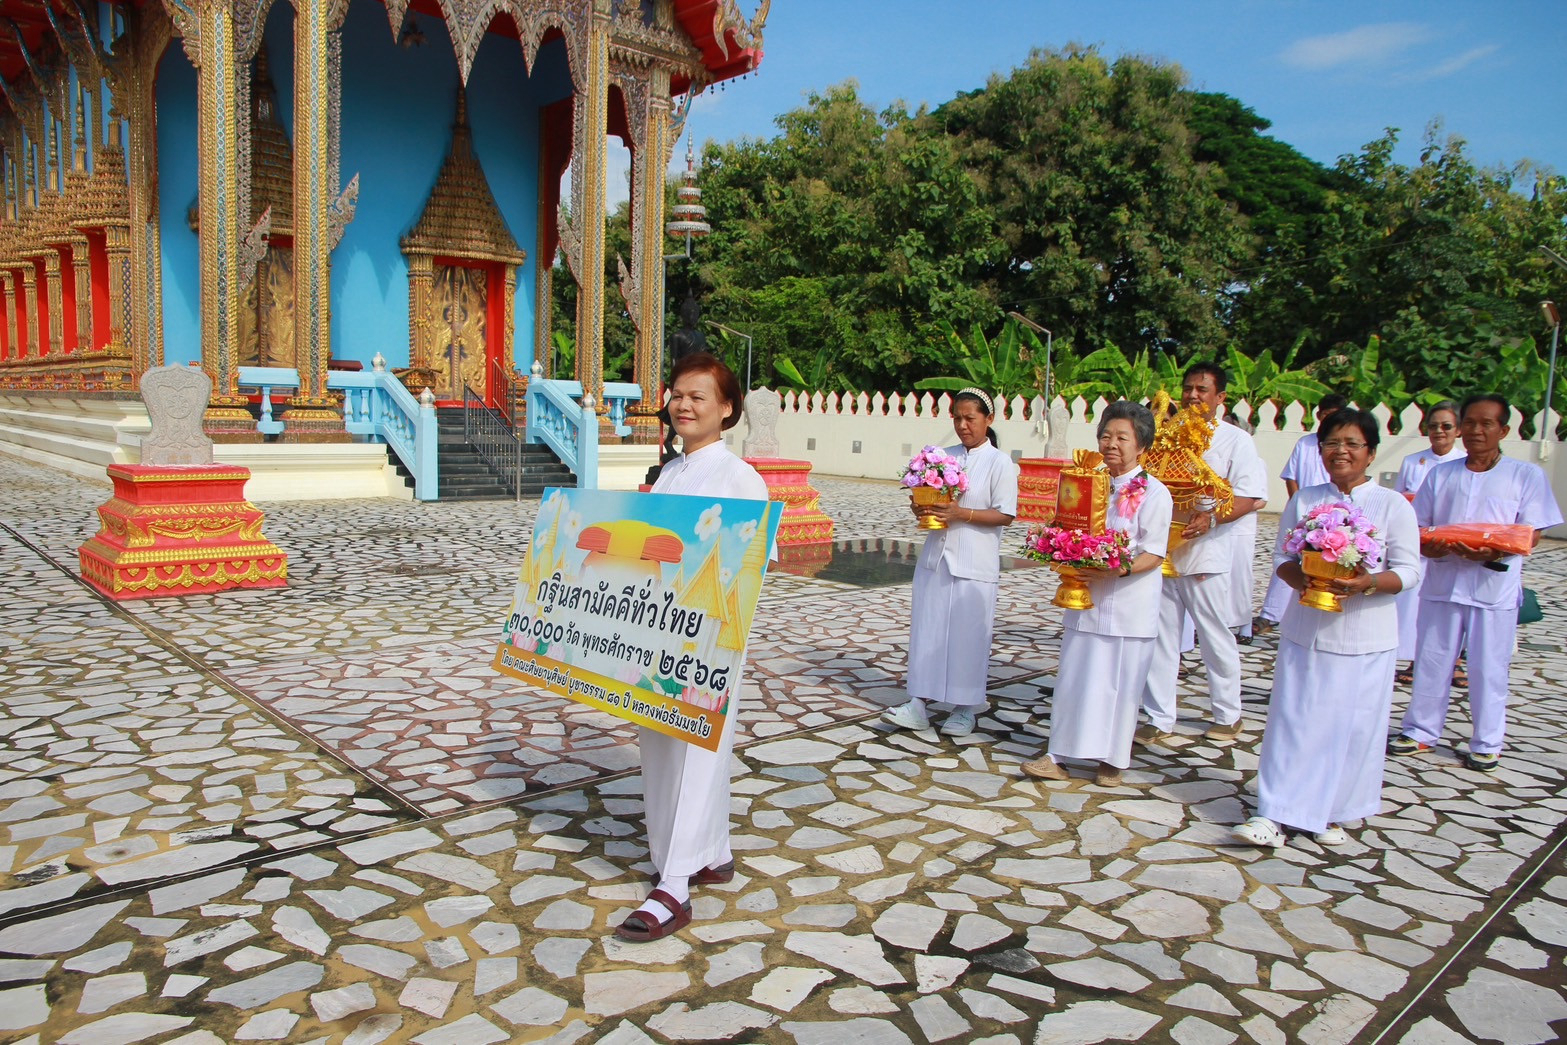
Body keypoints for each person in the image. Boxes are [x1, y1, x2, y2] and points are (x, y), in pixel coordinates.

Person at [618, 352, 768, 943]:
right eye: (678, 393)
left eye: (698, 396)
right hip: (657, 633)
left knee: (700, 752)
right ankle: (708, 853)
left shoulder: (739, 478)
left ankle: (674, 886)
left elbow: (750, 564)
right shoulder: (670, 472)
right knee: (659, 747)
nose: (683, 404)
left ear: (726, 409)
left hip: (707, 640)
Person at [1233, 408, 1420, 848]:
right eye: (1332, 443)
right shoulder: (1305, 500)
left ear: (1371, 453)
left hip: (1366, 635)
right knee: (1295, 719)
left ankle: (1330, 811)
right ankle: (1274, 812)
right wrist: (1306, 580)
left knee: (1352, 728)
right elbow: (1282, 559)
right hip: (1308, 630)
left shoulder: (1392, 505)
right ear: (1320, 451)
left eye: (1353, 444)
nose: (1341, 452)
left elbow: (1410, 572)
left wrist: (1366, 583)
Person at [1388, 394, 1563, 773]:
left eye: (1487, 424)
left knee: (1488, 667)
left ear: (1503, 430)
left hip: (1492, 587)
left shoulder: (1524, 475)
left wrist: (1493, 552)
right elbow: (1419, 526)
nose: (1477, 431)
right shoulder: (1442, 474)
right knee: (1432, 659)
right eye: (1470, 422)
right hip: (1443, 581)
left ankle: (1487, 741)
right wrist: (1435, 548)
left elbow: (1532, 532)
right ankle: (1420, 730)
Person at [1021, 402, 1172, 786]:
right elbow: (1066, 524)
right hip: (1086, 598)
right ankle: (1057, 755)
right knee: (1076, 678)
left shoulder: (1154, 493)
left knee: (1120, 685)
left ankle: (1112, 760)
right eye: (1106, 435)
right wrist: (1057, 548)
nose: (1111, 444)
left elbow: (1154, 552)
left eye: (1122, 437)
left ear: (1141, 445)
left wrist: (1115, 568)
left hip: (1129, 604)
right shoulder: (1084, 483)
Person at [1137, 364, 1268, 747]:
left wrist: (1210, 519)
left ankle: (1228, 714)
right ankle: (1159, 717)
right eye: (1189, 388)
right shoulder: (1164, 436)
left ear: (1220, 398)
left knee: (1214, 634)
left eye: (1202, 390)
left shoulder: (1235, 441)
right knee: (1160, 636)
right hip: (1161, 553)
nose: (1193, 396)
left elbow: (1252, 496)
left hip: (1206, 553)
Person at [884, 388, 1019, 737]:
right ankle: (918, 703)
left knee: (968, 637)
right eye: (957, 418)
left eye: (970, 418)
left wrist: (963, 513)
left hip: (975, 563)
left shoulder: (1000, 463)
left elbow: (1005, 514)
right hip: (936, 558)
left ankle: (964, 707)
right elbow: (929, 495)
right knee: (928, 631)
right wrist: (921, 505)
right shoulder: (943, 458)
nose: (962, 425)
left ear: (988, 420)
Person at [1253, 394, 1348, 634]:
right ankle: (1271, 613)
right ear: (1318, 416)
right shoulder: (1305, 444)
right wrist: (1300, 509)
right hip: (1305, 515)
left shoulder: (1341, 448)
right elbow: (1291, 476)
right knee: (1287, 561)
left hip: (1335, 520)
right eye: (1325, 415)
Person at [1392, 401, 1466, 684]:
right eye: (1433, 426)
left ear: (1457, 430)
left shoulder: (1462, 462)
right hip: (1418, 540)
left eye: (1446, 426)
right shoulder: (1413, 461)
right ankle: (1413, 660)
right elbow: (1400, 499)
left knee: (1451, 604)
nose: (1439, 431)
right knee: (1415, 605)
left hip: (1452, 543)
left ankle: (1456, 661)